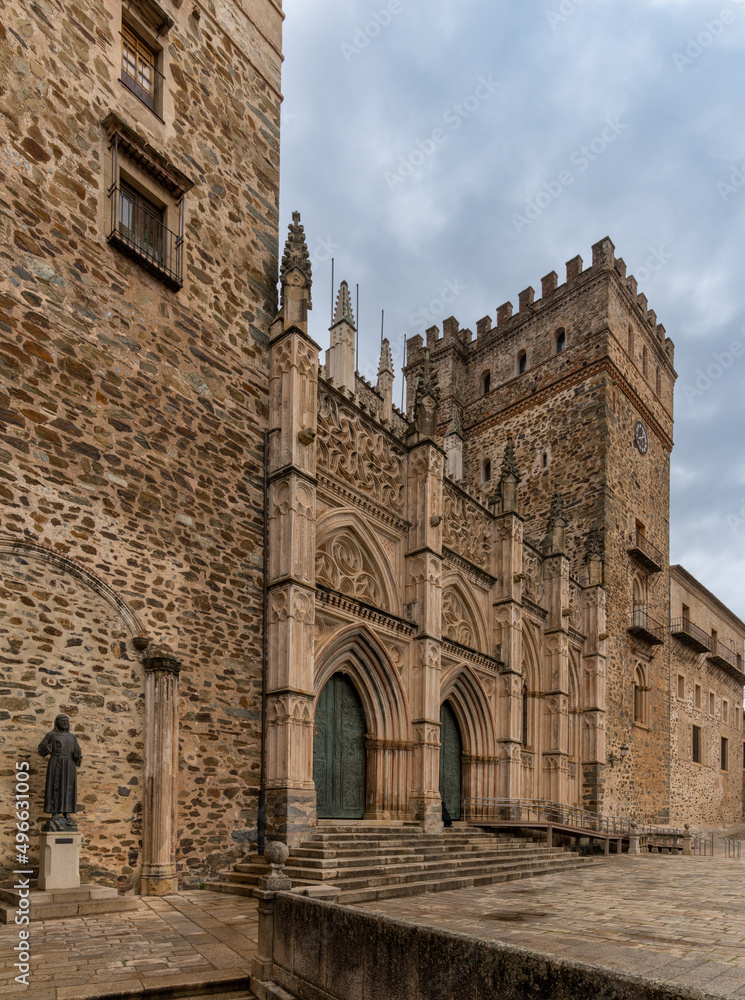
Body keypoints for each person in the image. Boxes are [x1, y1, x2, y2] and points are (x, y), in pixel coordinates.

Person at [38, 714, 82, 831]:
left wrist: (78, 756)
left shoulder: (72, 737)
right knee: (55, 787)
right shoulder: (51, 735)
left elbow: (77, 751)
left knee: (68, 789)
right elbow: (41, 750)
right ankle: (55, 813)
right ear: (57, 723)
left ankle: (67, 813)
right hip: (56, 763)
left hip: (69, 765)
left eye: (66, 721)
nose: (65, 723)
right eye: (62, 721)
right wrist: (49, 745)